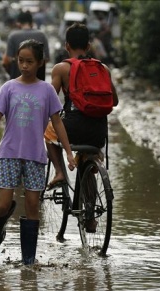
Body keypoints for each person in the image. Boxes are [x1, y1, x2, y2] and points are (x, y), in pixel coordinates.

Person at [0, 39, 76, 265]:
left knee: (32, 205)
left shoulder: (47, 90)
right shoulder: (8, 88)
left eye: (29, 62)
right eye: (21, 61)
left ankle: (28, 261)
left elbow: (57, 124)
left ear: (41, 62)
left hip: (35, 156)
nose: (24, 66)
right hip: (9, 153)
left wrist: (69, 152)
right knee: (3, 205)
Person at [43, 23, 119, 228]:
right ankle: (91, 218)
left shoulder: (61, 68)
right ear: (88, 46)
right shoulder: (103, 68)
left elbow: (50, 102)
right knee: (87, 163)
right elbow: (115, 101)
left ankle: (59, 172)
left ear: (67, 46)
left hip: (72, 128)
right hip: (98, 131)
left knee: (47, 132)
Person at [2, 11, 50, 81]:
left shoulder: (13, 36)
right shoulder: (41, 35)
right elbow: (47, 59)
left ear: (18, 23)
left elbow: (6, 61)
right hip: (38, 80)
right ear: (32, 23)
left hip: (17, 81)